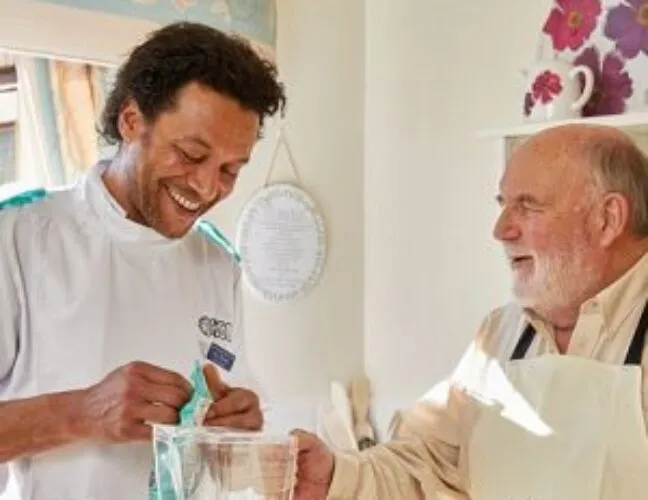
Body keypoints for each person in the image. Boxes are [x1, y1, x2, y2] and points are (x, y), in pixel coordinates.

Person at [0, 22, 286, 499]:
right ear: (131, 121)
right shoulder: (22, 237)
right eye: (191, 154)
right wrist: (84, 411)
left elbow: (226, 432)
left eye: (231, 170)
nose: (207, 187)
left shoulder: (219, 264)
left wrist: (241, 428)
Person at [293, 123, 648, 499]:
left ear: (607, 219)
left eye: (527, 206)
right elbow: (428, 464)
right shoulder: (500, 333)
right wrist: (335, 477)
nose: (501, 230)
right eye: (503, 206)